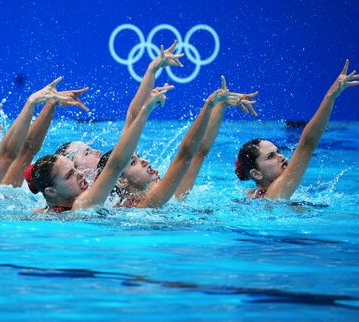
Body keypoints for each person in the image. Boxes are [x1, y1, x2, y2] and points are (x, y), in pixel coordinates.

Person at [96, 76, 257, 208]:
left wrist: (220, 104)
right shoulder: (148, 203)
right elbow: (185, 155)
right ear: (121, 180)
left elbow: (199, 153)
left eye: (139, 158)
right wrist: (209, 104)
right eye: (133, 162)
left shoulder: (170, 195)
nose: (144, 161)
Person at [24, 84, 174, 212]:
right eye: (70, 174)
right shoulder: (82, 204)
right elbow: (116, 165)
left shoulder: (44, 212)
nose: (80, 174)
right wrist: (146, 110)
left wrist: (152, 71)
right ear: (51, 191)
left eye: (75, 170)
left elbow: (129, 123)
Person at [54, 41, 184, 180]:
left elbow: (132, 116)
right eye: (87, 153)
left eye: (90, 149)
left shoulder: (119, 168)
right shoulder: (84, 197)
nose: (98, 151)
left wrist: (152, 69)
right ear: (76, 170)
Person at [234, 59, 359, 199]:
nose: (281, 157)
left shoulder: (250, 194)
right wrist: (331, 95)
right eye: (271, 156)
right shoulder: (275, 192)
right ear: (256, 174)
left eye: (277, 152)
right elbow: (306, 145)